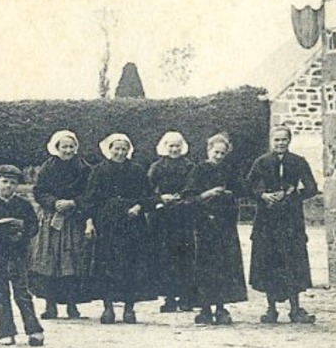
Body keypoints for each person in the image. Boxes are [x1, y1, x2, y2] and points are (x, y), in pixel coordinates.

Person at [246, 126, 320, 324]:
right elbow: (247, 186)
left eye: (284, 140)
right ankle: (271, 310)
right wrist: (263, 195)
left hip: (290, 221)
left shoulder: (298, 162)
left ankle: (295, 309)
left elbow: (312, 188)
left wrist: (293, 195)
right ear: (272, 141)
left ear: (289, 141)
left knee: (292, 262)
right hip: (266, 221)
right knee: (269, 262)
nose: (280, 143)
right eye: (277, 140)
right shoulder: (261, 162)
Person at [84, 133, 155, 325]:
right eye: (117, 148)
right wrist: (89, 223)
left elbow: (149, 196)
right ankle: (107, 308)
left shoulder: (137, 170)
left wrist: (139, 207)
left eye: (124, 149)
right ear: (109, 149)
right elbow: (89, 200)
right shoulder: (98, 171)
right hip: (107, 224)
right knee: (106, 265)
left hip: (132, 224)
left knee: (131, 265)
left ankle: (129, 308)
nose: (120, 152)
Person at [183, 132, 248, 325]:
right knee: (205, 265)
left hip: (225, 225)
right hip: (204, 224)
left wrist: (228, 193)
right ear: (208, 150)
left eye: (222, 153)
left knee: (224, 266)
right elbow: (188, 197)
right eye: (216, 152)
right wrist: (207, 194)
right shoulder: (199, 169)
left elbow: (242, 190)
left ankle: (221, 307)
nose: (218, 156)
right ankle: (204, 308)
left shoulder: (230, 170)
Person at [28, 130, 94, 320]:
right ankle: (50, 305)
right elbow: (39, 191)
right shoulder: (48, 167)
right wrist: (54, 202)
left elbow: (89, 192)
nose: (68, 150)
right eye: (64, 146)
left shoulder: (84, 168)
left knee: (72, 261)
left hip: (74, 219)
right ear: (56, 148)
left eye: (71, 146)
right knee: (49, 260)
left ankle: (72, 305)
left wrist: (74, 202)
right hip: (51, 219)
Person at [0, 164, 44, 346]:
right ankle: (6, 331)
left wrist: (21, 229)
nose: (8, 186)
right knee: (0, 294)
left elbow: (33, 226)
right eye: (4, 181)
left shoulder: (23, 205)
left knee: (22, 292)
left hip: (18, 255)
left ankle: (34, 330)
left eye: (12, 183)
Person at [148, 131, 198, 313]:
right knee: (165, 256)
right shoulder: (157, 166)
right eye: (171, 146)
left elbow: (193, 187)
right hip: (163, 217)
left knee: (184, 255)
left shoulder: (189, 166)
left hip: (183, 215)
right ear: (165, 146)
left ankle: (185, 297)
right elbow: (148, 188)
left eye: (177, 145)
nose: (174, 149)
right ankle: (169, 297)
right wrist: (161, 197)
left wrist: (181, 197)